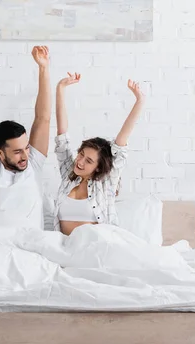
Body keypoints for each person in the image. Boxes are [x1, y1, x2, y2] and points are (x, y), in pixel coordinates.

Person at [0, 43, 51, 229]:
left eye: (26, 148)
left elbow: (43, 119)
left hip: (28, 246)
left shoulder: (33, 164)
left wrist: (43, 68)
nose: (25, 156)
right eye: (18, 151)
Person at [53, 72, 145, 235]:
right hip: (64, 247)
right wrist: (60, 88)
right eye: (81, 154)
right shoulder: (69, 174)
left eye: (88, 161)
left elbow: (121, 142)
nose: (80, 161)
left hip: (97, 247)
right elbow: (62, 137)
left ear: (98, 168)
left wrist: (140, 101)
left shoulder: (106, 182)